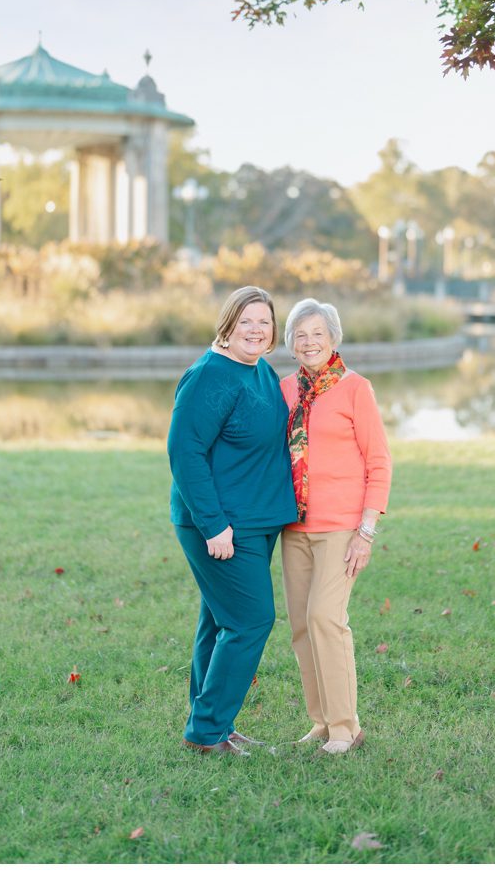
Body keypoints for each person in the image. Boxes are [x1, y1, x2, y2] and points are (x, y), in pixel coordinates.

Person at [166, 285, 295, 756]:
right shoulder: (209, 376)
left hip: (256, 521)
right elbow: (185, 453)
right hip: (220, 524)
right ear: (228, 323)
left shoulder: (259, 369)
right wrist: (214, 525)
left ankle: (213, 724)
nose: (256, 330)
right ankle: (206, 731)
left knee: (219, 622)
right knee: (251, 621)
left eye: (264, 322)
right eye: (247, 321)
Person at [277, 299, 390, 756]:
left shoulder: (355, 388)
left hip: (343, 527)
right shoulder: (283, 389)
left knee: (327, 619)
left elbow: (379, 461)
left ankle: (347, 728)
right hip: (294, 527)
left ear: (333, 338)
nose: (309, 343)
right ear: (290, 343)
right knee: (303, 626)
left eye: (317, 334)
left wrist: (366, 531)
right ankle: (321, 722)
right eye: (300, 335)